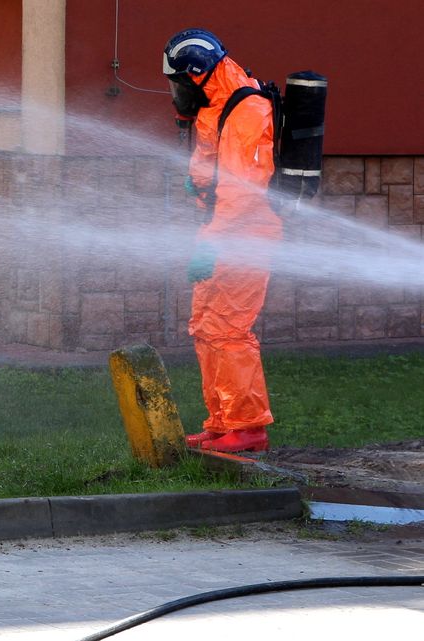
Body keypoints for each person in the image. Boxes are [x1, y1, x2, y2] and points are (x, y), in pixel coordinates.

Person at [162, 28, 281, 453]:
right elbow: (214, 170)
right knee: (207, 328)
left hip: (244, 235)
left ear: (196, 73)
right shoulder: (216, 103)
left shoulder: (247, 109)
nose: (175, 92)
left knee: (229, 329)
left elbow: (243, 190)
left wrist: (211, 241)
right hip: (219, 231)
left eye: (178, 82)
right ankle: (223, 423)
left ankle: (248, 428)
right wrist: (198, 187)